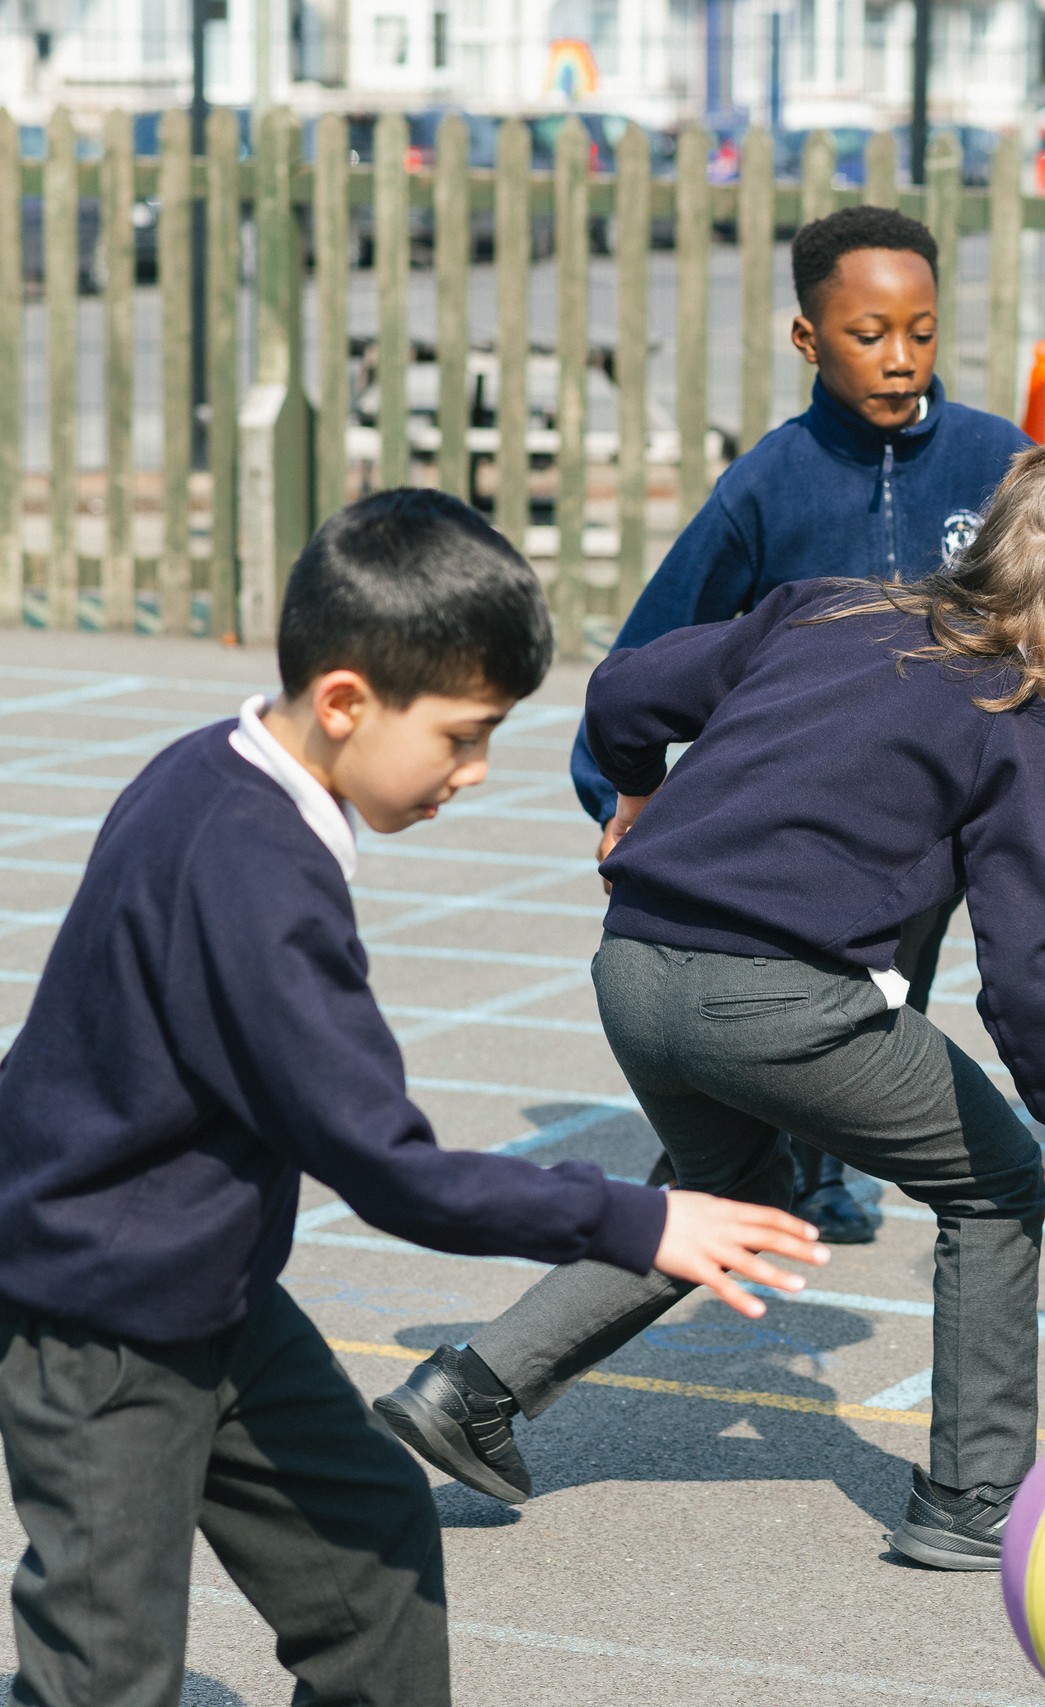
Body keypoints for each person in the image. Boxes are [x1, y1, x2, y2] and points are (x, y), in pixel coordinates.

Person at [0, 490, 824, 1707]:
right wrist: (639, 1222)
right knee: (103, 1670)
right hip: (99, 1322)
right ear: (345, 702)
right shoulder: (255, 879)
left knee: (373, 1555)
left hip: (206, 1287)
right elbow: (388, 1165)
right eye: (461, 735)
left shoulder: (219, 770)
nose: (476, 772)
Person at [377, 374, 1045, 1571]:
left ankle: (471, 1389)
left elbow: (623, 686)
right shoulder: (1013, 730)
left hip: (633, 970)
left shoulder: (825, 610)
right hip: (773, 1003)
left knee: (722, 1193)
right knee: (996, 1184)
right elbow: (1027, 967)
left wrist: (635, 788)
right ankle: (969, 1503)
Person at [576, 203, 1045, 1243]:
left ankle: (822, 1164)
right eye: (868, 335)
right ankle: (765, 1168)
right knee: (788, 994)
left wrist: (1031, 742)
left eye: (921, 334)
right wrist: (621, 792)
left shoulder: (995, 460)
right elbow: (653, 647)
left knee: (888, 998)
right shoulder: (767, 483)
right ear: (808, 338)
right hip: (788, 814)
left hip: (928, 811)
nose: (900, 360)